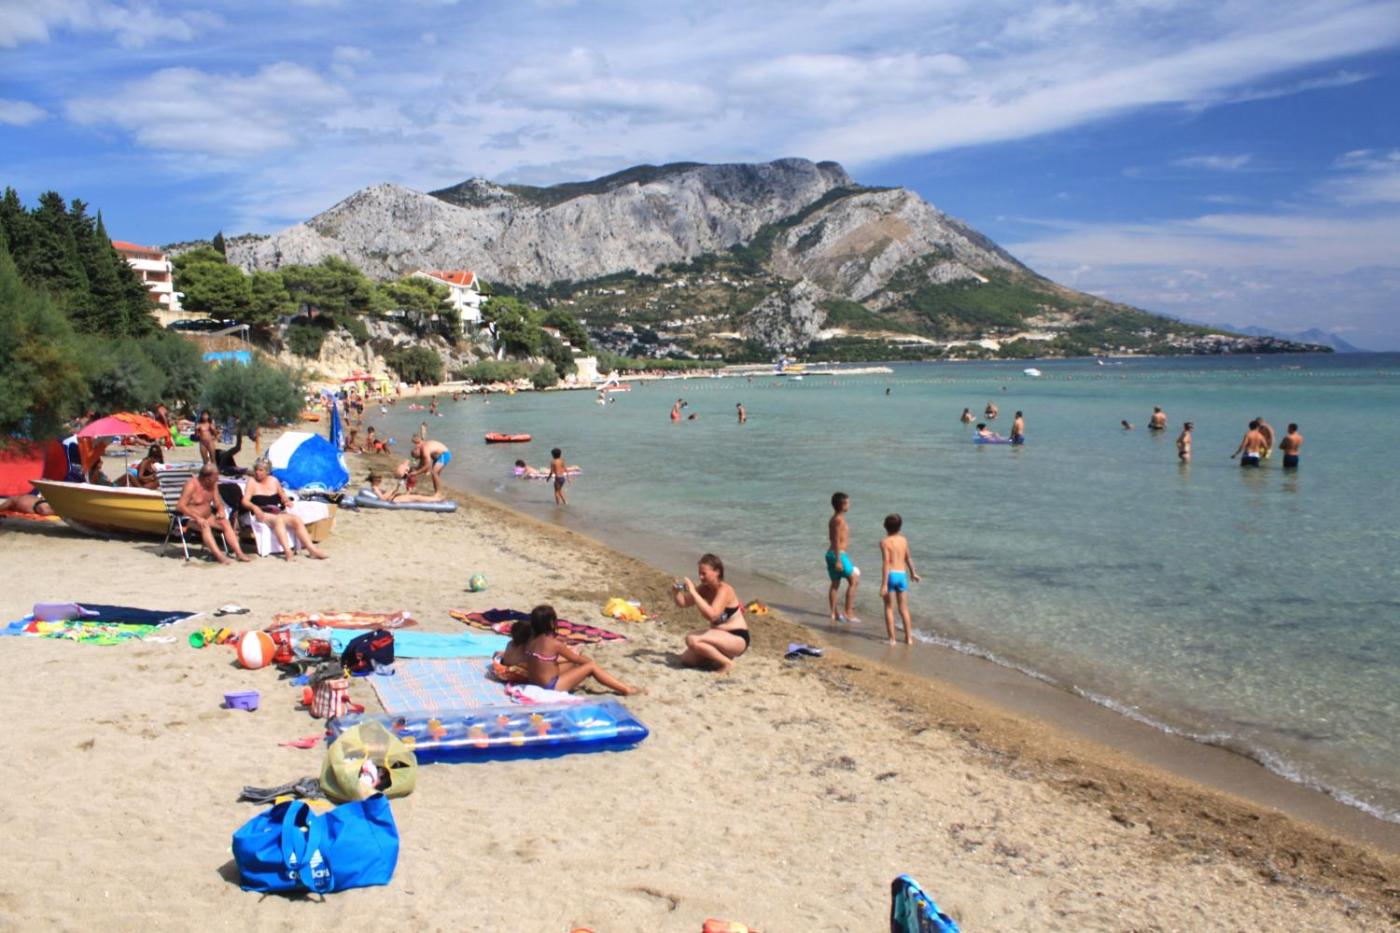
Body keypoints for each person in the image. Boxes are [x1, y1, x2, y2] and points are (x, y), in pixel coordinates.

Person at [523, 605, 639, 694]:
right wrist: (591, 664)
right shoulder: (554, 644)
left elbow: (546, 661)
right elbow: (577, 658)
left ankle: (582, 675)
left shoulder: (530, 640)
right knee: (590, 666)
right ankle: (626, 690)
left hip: (535, 683)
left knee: (570, 664)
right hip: (551, 687)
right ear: (552, 623)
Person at [674, 553, 750, 673]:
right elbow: (683, 603)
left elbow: (712, 615)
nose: (701, 577)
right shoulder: (705, 588)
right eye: (699, 573)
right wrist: (676, 592)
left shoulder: (724, 590)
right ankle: (718, 658)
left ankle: (727, 663)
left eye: (704, 573)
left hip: (736, 638)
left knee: (692, 639)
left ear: (717, 572)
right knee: (687, 660)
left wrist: (693, 592)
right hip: (718, 637)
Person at [241, 458, 328, 560]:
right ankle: (288, 551)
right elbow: (245, 501)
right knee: (278, 520)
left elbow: (282, 494)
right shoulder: (252, 482)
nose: (257, 472)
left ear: (267, 471)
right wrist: (254, 507)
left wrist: (285, 500)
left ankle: (312, 549)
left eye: (261, 470)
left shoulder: (273, 481)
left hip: (275, 511)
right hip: (262, 512)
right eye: (256, 470)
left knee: (296, 519)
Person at [177, 464, 250, 563]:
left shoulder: (213, 485)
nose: (218, 479)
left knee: (225, 522)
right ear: (207, 478)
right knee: (205, 525)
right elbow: (180, 506)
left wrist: (220, 510)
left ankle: (239, 553)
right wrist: (197, 518)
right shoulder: (191, 485)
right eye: (215, 477)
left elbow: (218, 502)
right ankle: (219, 556)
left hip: (207, 516)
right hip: (190, 518)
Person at [879, 513, 922, 645]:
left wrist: (884, 584)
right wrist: (913, 573)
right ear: (900, 527)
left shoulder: (884, 542)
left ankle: (892, 639)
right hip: (902, 575)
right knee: (904, 608)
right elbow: (908, 558)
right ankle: (909, 638)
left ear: (885, 526)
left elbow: (886, 563)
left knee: (889, 608)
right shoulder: (904, 540)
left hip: (891, 575)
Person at [826, 492, 861, 623]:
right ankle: (848, 613)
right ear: (842, 505)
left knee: (835, 584)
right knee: (854, 581)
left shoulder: (836, 518)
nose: (849, 505)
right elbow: (835, 540)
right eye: (847, 502)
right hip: (838, 554)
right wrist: (838, 560)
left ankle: (834, 613)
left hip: (833, 554)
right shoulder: (838, 520)